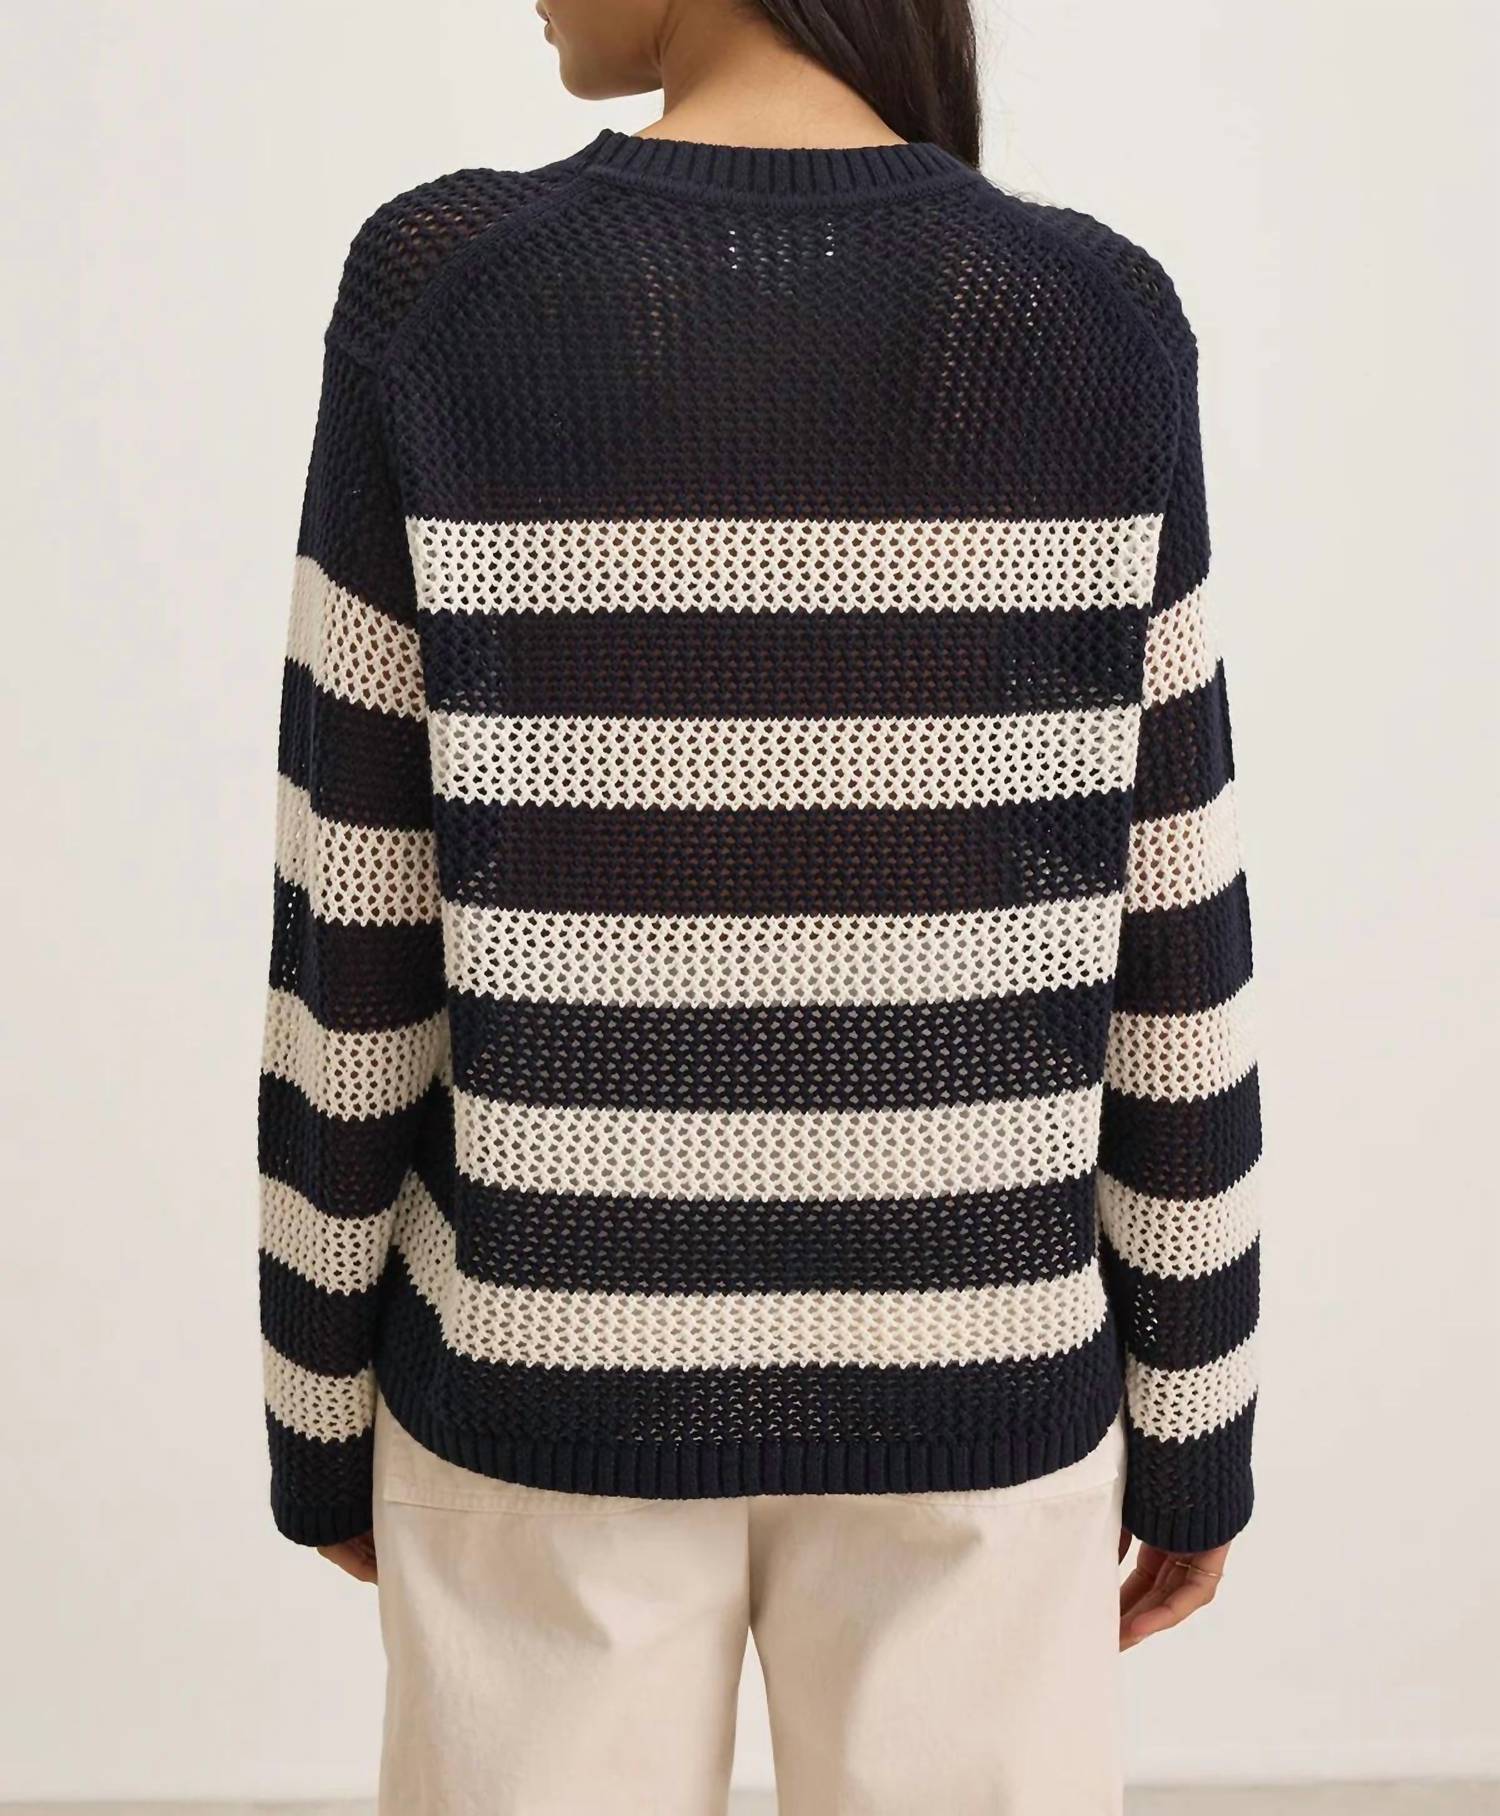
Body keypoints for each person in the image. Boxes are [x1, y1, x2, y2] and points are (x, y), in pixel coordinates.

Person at [255, 0, 1263, 1808]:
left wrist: (319, 1398)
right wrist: (1197, 1413)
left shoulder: (451, 294)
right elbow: (1171, 931)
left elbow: (356, 917)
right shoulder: (1088, 316)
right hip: (981, 1366)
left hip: (545, 1369)